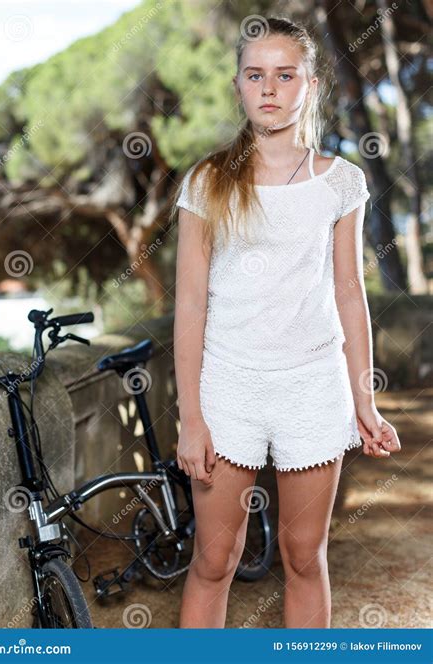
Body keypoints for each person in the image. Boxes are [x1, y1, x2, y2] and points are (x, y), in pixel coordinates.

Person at [171, 16, 401, 629]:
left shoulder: (342, 182)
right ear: (239, 85)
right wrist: (191, 417)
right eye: (255, 74)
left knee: (304, 557)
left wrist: (365, 403)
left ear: (310, 84)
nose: (268, 88)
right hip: (229, 388)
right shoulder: (207, 183)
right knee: (214, 559)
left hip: (311, 388)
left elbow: (350, 293)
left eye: (284, 74)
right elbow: (190, 306)